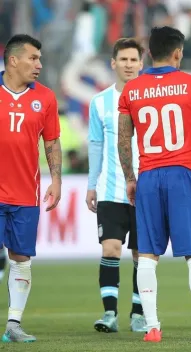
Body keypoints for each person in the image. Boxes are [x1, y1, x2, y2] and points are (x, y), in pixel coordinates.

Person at [117, 26, 191, 343]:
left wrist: (130, 178)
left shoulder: (131, 90)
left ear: (149, 53)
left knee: (147, 256)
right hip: (183, 173)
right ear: (178, 52)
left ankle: (152, 328)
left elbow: (123, 139)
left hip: (149, 176)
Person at [0, 34, 62, 342]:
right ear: (13, 60)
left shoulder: (46, 98)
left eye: (39, 59)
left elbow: (51, 141)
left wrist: (57, 179)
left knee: (21, 258)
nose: (39, 64)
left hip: (26, 194)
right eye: (33, 58)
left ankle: (13, 325)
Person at [86, 38, 146, 333]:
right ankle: (109, 314)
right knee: (110, 248)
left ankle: (138, 313)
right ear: (113, 63)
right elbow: (96, 144)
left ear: (141, 64)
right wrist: (90, 184)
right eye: (123, 59)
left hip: (145, 191)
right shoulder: (100, 102)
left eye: (134, 60)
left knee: (140, 254)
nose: (129, 65)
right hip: (111, 189)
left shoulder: (150, 98)